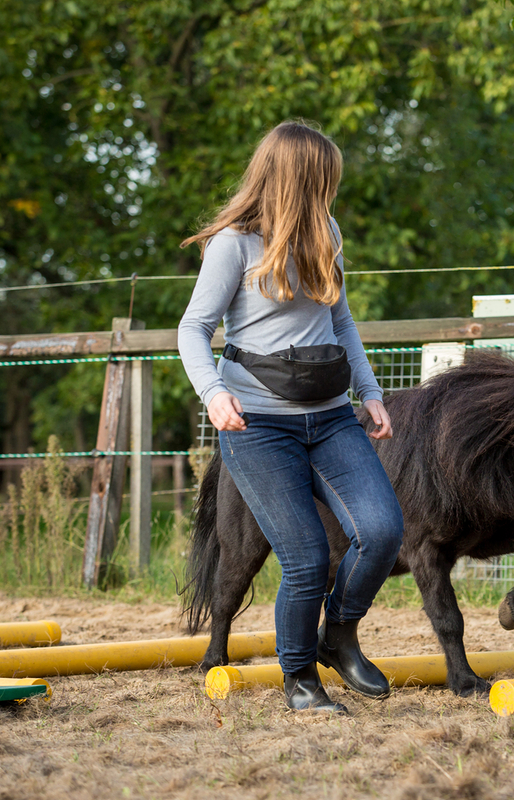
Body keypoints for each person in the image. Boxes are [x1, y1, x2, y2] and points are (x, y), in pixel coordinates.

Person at [177, 120, 404, 715]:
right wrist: (212, 392)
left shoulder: (326, 231)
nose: (331, 192)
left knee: (382, 531)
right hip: (256, 424)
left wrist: (371, 392)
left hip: (330, 418)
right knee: (304, 555)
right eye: (324, 179)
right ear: (297, 179)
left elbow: (342, 323)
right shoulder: (234, 244)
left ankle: (339, 634)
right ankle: (299, 676)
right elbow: (193, 328)